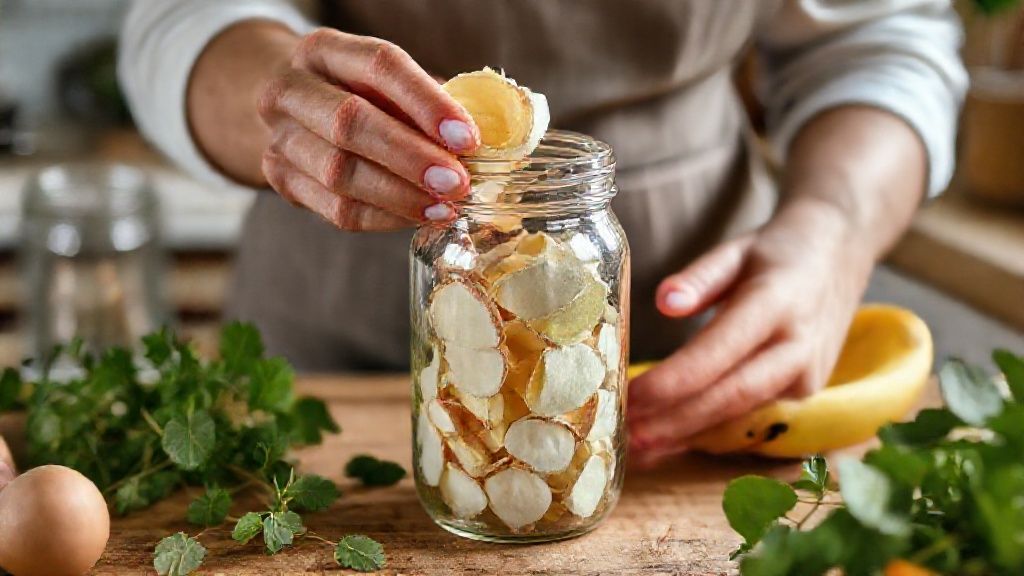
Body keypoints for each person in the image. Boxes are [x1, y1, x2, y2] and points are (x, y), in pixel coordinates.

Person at [119, 0, 967, 466]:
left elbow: (881, 36)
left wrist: (833, 227)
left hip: (703, 333)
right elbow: (175, 17)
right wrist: (273, 89)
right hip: (330, 315)